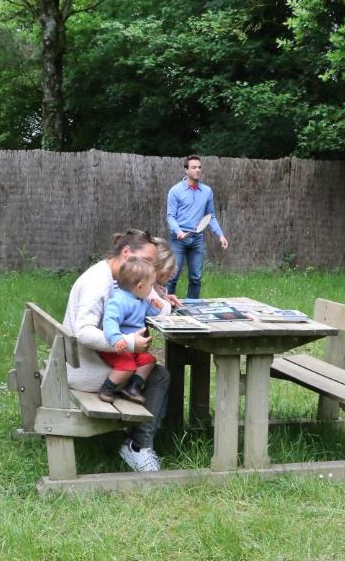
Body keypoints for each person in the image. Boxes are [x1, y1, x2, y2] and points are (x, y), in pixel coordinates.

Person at [62, 229, 170, 472]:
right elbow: (84, 332)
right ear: (127, 253)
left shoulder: (122, 277)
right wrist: (129, 343)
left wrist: (158, 297)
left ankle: (140, 438)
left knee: (153, 370)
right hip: (83, 369)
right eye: (149, 261)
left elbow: (159, 308)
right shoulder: (97, 282)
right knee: (159, 376)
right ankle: (138, 447)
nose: (151, 267)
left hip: (86, 360)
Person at [97, 256, 161, 404]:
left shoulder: (140, 299)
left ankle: (133, 387)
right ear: (139, 286)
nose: (152, 288)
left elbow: (148, 313)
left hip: (134, 348)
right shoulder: (119, 301)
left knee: (148, 360)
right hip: (118, 346)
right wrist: (117, 338)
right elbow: (110, 320)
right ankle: (107, 388)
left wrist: (155, 308)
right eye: (151, 285)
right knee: (127, 366)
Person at [166, 155, 228, 299]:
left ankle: (192, 309)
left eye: (199, 167)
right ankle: (167, 308)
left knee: (196, 278)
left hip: (197, 238)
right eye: (194, 167)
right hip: (178, 239)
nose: (198, 170)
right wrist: (178, 231)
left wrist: (221, 235)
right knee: (172, 277)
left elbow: (210, 216)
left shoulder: (207, 191)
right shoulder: (175, 191)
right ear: (186, 170)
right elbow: (170, 216)